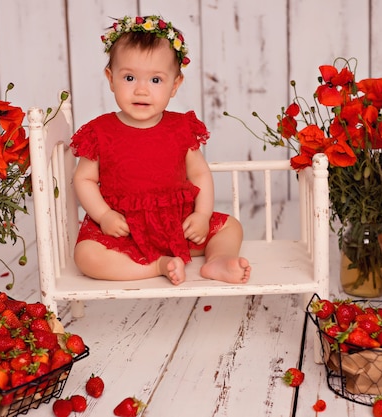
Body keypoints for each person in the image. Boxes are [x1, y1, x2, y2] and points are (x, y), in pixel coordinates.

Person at [70, 15, 250, 286]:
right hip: (124, 230)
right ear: (110, 79)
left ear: (174, 85)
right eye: (129, 77)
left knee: (231, 227)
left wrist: (201, 216)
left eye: (155, 80)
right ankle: (157, 266)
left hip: (176, 226)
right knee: (86, 256)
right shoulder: (100, 131)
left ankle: (217, 260)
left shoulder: (180, 128)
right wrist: (104, 215)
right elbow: (83, 179)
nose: (141, 90)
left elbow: (200, 174)